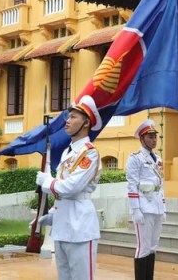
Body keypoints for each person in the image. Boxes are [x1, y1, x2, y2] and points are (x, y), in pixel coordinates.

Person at [36, 95, 103, 280]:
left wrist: (47, 182)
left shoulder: (89, 152)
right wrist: (52, 214)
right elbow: (62, 193)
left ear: (86, 123)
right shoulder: (68, 152)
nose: (67, 121)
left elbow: (72, 187)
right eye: (69, 116)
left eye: (73, 117)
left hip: (80, 226)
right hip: (63, 226)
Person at [126, 119, 166, 280]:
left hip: (156, 207)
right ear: (142, 139)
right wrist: (135, 209)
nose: (154, 140)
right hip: (143, 207)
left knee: (152, 247)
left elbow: (160, 184)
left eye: (155, 137)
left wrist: (164, 207)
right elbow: (132, 185)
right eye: (150, 137)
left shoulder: (158, 158)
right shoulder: (135, 158)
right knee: (143, 248)